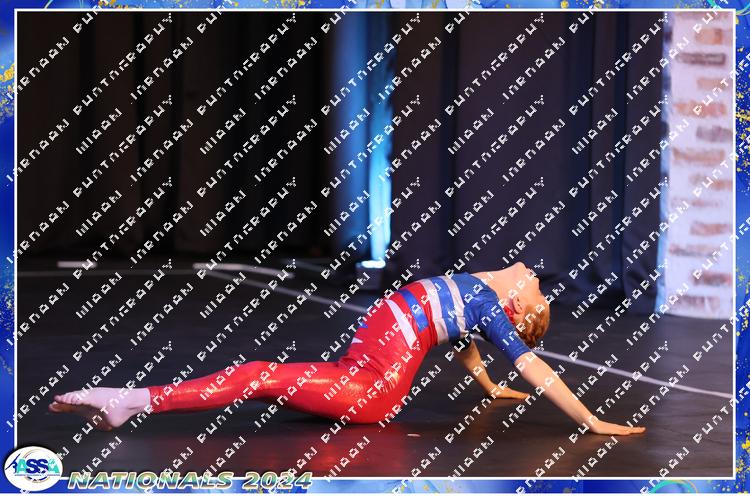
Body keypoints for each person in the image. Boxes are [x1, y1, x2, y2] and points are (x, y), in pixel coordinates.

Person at [49, 262, 645, 436]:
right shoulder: (482, 297)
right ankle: (134, 400)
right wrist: (490, 386)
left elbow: (537, 369)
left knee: (257, 375)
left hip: (372, 388)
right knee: (261, 375)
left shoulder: (492, 306)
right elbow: (466, 347)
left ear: (519, 311)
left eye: (538, 293)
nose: (536, 279)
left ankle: (132, 400)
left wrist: (591, 422)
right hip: (358, 368)